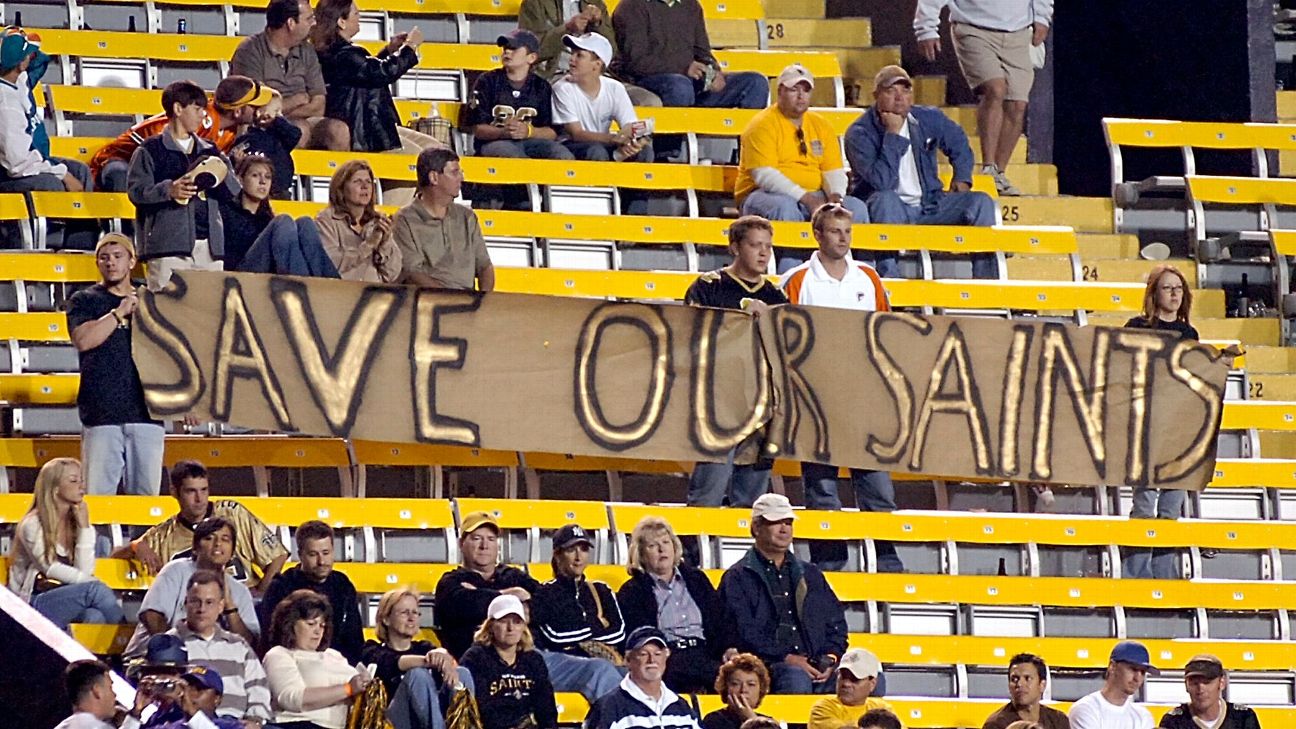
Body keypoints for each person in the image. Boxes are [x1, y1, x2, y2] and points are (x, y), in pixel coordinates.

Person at [779, 203, 902, 573]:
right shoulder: (797, 280)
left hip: (863, 397)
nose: (843, 238)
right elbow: (784, 340)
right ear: (817, 234)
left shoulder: (868, 277)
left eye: (847, 231)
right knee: (822, 488)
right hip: (816, 400)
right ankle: (828, 561)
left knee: (876, 484)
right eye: (835, 231)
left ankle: (886, 556)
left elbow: (887, 331)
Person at [845, 65, 997, 280]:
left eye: (905, 91)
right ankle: (891, 281)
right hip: (890, 208)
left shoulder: (928, 118)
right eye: (891, 91)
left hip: (930, 205)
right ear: (876, 96)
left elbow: (959, 142)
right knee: (885, 200)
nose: (899, 98)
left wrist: (962, 178)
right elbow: (882, 182)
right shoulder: (859, 133)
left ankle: (988, 284)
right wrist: (893, 134)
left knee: (981, 202)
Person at [683, 215, 784, 508]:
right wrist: (739, 311)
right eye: (755, 245)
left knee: (753, 503)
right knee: (707, 493)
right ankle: (696, 553)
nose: (764, 253)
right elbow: (691, 334)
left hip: (762, 408)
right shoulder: (709, 286)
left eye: (768, 246)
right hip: (718, 404)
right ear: (735, 247)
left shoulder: (776, 296)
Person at [914, 0, 1052, 196]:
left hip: (1019, 32)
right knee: (995, 89)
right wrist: (926, 28)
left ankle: (999, 172)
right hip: (973, 28)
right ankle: (987, 168)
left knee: (1018, 104)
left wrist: (1042, 17)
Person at [717, 493, 847, 695]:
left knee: (869, 679)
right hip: (769, 665)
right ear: (756, 528)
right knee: (796, 678)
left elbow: (836, 623)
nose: (784, 528)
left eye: (788, 522)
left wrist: (831, 657)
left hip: (815, 664)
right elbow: (744, 633)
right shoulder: (737, 577)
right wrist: (787, 657)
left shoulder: (811, 574)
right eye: (775, 522)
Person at [67, 234, 164, 496]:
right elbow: (84, 340)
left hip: (147, 415)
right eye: (104, 258)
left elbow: (171, 351)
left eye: (118, 256)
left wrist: (186, 398)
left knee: (146, 507)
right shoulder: (84, 300)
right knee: (97, 503)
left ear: (132, 261)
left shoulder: (152, 298)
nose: (111, 263)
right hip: (101, 414)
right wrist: (118, 313)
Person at [610, 0, 767, 160]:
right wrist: (684, 68)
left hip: (691, 84)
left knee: (755, 82)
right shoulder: (631, 7)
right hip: (647, 81)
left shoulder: (691, 5)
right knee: (679, 85)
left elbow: (703, 52)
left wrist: (713, 72)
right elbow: (636, 61)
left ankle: (750, 157)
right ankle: (667, 155)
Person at [1122, 264, 1201, 580]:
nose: (1174, 294)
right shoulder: (1136, 326)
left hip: (1178, 427)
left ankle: (1164, 579)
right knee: (1144, 504)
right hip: (1145, 424)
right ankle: (1136, 576)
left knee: (1170, 508)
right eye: (1167, 288)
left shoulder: (1189, 333)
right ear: (1154, 293)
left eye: (1178, 289)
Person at [734, 64, 868, 250]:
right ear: (780, 91)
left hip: (815, 194)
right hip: (763, 195)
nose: (800, 96)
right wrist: (807, 199)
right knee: (785, 208)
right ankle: (790, 270)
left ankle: (858, 272)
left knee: (856, 208)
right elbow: (764, 176)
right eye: (793, 89)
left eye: (805, 90)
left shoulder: (821, 125)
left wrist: (835, 198)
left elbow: (833, 170)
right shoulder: (762, 125)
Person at [125, 80, 242, 291]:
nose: (202, 116)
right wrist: (169, 190)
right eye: (197, 109)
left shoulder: (211, 150)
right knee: (165, 313)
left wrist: (218, 175)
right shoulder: (150, 149)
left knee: (209, 314)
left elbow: (233, 191)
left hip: (209, 247)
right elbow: (136, 192)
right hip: (167, 248)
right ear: (178, 109)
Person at [113, 460, 287, 589]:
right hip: (195, 613)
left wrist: (262, 594)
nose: (200, 499)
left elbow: (277, 555)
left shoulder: (233, 512)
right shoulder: (163, 535)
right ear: (174, 492)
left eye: (204, 490)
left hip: (244, 601)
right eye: (191, 491)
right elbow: (113, 557)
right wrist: (137, 545)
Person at [94, 75, 276, 194]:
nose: (260, 110)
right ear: (237, 111)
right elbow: (153, 145)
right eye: (254, 106)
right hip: (117, 161)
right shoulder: (199, 120)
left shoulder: (230, 129)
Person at [6, 457, 123, 630]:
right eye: (74, 481)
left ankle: (90, 657)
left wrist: (84, 527)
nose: (81, 486)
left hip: (67, 596)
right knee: (94, 590)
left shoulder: (76, 522)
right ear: (54, 488)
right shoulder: (32, 524)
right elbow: (49, 568)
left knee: (94, 616)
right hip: (31, 602)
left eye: (82, 480)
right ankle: (132, 647)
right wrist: (91, 584)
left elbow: (84, 571)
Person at [616, 516, 729, 694]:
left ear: (674, 546)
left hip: (705, 653)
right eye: (653, 546)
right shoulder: (633, 591)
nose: (662, 549)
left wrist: (728, 649)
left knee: (737, 677)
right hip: (668, 657)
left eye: (665, 542)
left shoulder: (697, 579)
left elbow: (720, 622)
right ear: (641, 554)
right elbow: (639, 636)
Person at [311, 0, 439, 154]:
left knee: (436, 148)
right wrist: (410, 48)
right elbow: (381, 73)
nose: (359, 17)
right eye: (356, 13)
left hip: (376, 126)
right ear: (341, 22)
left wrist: (388, 51)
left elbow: (365, 74)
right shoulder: (344, 55)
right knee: (422, 158)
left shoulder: (338, 52)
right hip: (368, 133)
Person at [125, 517, 260, 657]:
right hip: (151, 660)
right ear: (195, 548)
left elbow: (248, 643)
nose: (218, 544)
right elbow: (151, 616)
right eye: (209, 538)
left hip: (212, 664)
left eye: (225, 539)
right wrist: (175, 650)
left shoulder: (239, 590)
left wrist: (230, 607)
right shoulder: (176, 570)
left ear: (232, 552)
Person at [231, 0, 351, 151]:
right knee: (299, 130)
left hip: (303, 120)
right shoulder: (250, 51)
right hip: (263, 125)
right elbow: (258, 110)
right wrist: (297, 100)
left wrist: (281, 107)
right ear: (291, 23)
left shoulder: (307, 50)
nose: (313, 23)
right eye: (309, 19)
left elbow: (319, 105)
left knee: (338, 130)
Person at [162, 570, 273, 726]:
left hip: (237, 724)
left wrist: (256, 721)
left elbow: (258, 689)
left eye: (209, 602)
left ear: (221, 606)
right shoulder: (168, 644)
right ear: (186, 603)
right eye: (195, 601)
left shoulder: (238, 645)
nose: (202, 609)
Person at [530, 523, 625, 703]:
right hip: (566, 663)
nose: (578, 556)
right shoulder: (545, 593)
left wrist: (581, 636)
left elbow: (619, 632)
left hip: (604, 660)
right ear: (558, 555)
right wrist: (596, 631)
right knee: (601, 670)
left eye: (583, 549)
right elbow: (556, 637)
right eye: (571, 550)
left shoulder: (601, 590)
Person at [433, 511, 541, 660]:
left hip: (525, 660)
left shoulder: (513, 575)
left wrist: (481, 595)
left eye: (491, 539)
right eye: (476, 538)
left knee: (583, 667)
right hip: (472, 663)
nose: (484, 546)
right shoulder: (451, 582)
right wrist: (513, 597)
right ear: (461, 544)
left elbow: (545, 603)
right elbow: (467, 605)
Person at [361, 587, 471, 729]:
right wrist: (431, 660)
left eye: (415, 612)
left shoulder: (424, 647)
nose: (411, 618)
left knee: (462, 673)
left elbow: (442, 655)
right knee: (417, 674)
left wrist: (443, 656)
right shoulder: (371, 649)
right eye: (404, 613)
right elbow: (393, 663)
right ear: (386, 619)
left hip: (428, 717)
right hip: (391, 722)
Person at [0, 26, 91, 194]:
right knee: (52, 184)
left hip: (29, 159)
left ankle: (87, 220)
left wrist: (14, 38)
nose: (32, 58)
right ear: (21, 63)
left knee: (80, 171)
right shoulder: (6, 104)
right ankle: (60, 220)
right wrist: (62, 174)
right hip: (7, 173)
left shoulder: (19, 80)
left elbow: (40, 62)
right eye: (29, 54)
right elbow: (16, 165)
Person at [262, 589, 371, 729]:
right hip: (299, 725)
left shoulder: (334, 655)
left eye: (322, 625)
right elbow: (292, 699)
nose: (318, 631)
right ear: (290, 624)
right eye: (311, 624)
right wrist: (348, 689)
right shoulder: (279, 654)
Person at [260, 521, 364, 664]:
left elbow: (354, 639)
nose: (321, 561)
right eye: (313, 554)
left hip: (339, 666)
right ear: (300, 555)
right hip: (295, 665)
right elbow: (271, 640)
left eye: (326, 553)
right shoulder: (281, 587)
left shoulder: (343, 585)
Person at [218, 154, 340, 276]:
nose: (262, 181)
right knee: (284, 221)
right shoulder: (227, 212)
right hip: (239, 275)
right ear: (240, 180)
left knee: (305, 223)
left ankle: (333, 284)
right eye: (255, 175)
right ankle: (300, 284)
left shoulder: (267, 219)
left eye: (268, 177)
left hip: (270, 273)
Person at [394, 148, 495, 291]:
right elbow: (412, 273)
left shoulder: (467, 217)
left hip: (468, 304)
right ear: (434, 178)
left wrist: (484, 301)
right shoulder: (405, 220)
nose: (462, 178)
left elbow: (485, 266)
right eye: (455, 172)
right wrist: (449, 299)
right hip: (426, 303)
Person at [468, 29, 573, 161]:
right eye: (506, 48)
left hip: (531, 142)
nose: (507, 52)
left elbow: (552, 132)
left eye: (514, 48)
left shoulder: (541, 86)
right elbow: (477, 128)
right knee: (511, 154)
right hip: (493, 143)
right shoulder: (487, 81)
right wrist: (503, 132)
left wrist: (529, 131)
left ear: (531, 57)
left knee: (562, 155)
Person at [460, 594, 559, 729]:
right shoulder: (475, 658)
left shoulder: (533, 660)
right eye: (503, 621)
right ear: (490, 625)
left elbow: (546, 709)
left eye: (517, 622)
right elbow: (481, 710)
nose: (510, 628)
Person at [551, 33, 652, 163]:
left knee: (645, 152)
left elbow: (628, 125)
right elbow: (576, 134)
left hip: (603, 142)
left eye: (579, 55)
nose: (571, 59)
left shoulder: (615, 88)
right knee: (596, 151)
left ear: (597, 64)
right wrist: (614, 139)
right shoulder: (562, 88)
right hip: (571, 144)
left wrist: (630, 143)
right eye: (572, 53)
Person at [583, 626, 701, 729]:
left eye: (657, 654)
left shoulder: (681, 707)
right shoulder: (609, 707)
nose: (652, 660)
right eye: (643, 654)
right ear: (628, 660)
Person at [315, 159, 403, 282]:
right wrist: (368, 246)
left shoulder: (377, 222)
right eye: (357, 182)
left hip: (375, 293)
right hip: (341, 293)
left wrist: (384, 242)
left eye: (368, 182)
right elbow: (331, 265)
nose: (365, 187)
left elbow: (392, 274)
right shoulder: (326, 220)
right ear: (341, 189)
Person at [1067, 641, 1156, 729]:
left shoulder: (1143, 716)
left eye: (1143, 672)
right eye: (1133, 669)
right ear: (1113, 667)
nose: (1137, 678)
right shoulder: (1085, 709)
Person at [1159, 655, 1262, 729]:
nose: (1200, 689)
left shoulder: (1243, 717)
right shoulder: (1174, 721)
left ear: (1221, 683)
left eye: (1207, 682)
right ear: (1186, 685)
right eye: (1194, 683)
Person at [807, 649, 892, 729]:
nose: (846, 684)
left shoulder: (882, 708)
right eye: (843, 676)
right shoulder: (822, 709)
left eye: (855, 679)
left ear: (872, 684)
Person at [982, 654, 1069, 729]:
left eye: (1027, 678)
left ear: (1042, 685)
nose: (1019, 684)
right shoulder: (995, 724)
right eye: (1014, 679)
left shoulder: (1059, 720)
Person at [700, 654, 772, 729]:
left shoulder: (769, 723)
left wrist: (751, 719)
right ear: (725, 687)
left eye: (751, 684)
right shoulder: (713, 720)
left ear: (761, 690)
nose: (743, 690)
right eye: (735, 684)